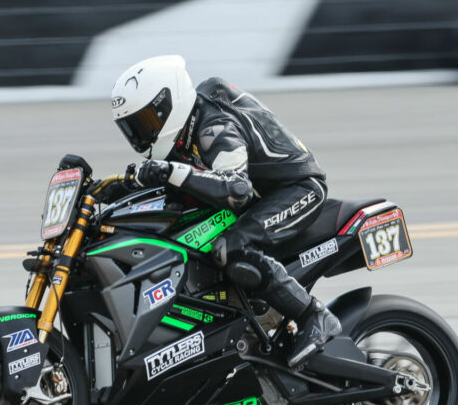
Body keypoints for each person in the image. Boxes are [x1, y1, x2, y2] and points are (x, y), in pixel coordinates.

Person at [109, 55, 342, 369]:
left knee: (231, 247)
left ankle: (314, 315)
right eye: (133, 128)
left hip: (296, 189)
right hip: (259, 198)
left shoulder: (213, 125)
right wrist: (105, 190)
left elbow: (236, 189)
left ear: (169, 104)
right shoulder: (183, 132)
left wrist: (169, 172)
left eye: (147, 122)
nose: (142, 135)